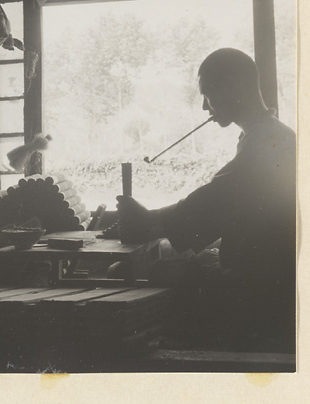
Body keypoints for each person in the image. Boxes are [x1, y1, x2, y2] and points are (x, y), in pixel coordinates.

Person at [116, 48, 296, 350]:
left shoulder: (269, 141)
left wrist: (150, 220)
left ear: (233, 86)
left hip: (267, 290)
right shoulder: (266, 136)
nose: (204, 106)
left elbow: (220, 197)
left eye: (208, 93)